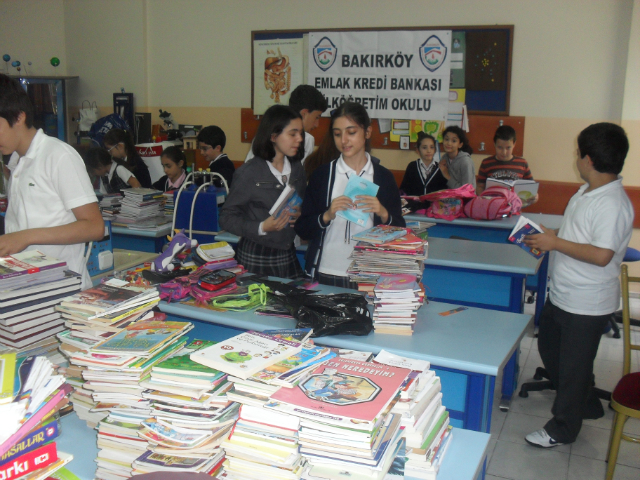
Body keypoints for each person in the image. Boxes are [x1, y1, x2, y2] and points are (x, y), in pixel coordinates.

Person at [523, 123, 634, 448]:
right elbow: (582, 239)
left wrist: (555, 245)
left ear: (588, 159)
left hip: (587, 303)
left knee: (572, 369)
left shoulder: (612, 203)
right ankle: (586, 403)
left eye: (577, 153)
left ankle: (562, 429)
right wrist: (553, 237)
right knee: (550, 350)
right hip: (564, 294)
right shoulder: (588, 190)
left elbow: (601, 255)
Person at [0, 74, 104, 289]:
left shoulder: (58, 155)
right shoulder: (15, 162)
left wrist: (25, 237)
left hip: (64, 291)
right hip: (28, 287)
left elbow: (94, 227)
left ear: (18, 117)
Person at [295, 101, 405, 288]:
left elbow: (400, 230)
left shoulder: (383, 177)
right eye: (337, 134)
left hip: (368, 273)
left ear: (367, 132)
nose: (344, 140)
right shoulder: (322, 175)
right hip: (326, 270)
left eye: (351, 132)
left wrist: (383, 212)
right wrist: (327, 215)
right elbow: (302, 228)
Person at [219, 105, 306, 279]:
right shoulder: (248, 173)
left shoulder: (297, 169)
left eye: (301, 133)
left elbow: (303, 203)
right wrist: (261, 227)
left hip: (287, 252)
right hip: (256, 255)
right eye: (292, 134)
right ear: (273, 136)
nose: (299, 139)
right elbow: (226, 218)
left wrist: (300, 214)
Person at [245, 84, 328, 164]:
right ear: (304, 114)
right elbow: (298, 175)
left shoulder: (264, 132)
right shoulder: (306, 139)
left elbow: (247, 167)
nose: (316, 124)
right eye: (317, 117)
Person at [477, 125, 538, 206]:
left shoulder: (522, 163)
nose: (504, 152)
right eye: (500, 147)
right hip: (492, 207)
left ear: (514, 144)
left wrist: (535, 197)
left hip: (514, 209)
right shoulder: (486, 163)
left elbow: (531, 188)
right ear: (494, 144)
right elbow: (480, 186)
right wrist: (483, 198)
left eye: (508, 148)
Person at [400, 132, 448, 196]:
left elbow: (444, 191)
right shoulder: (412, 166)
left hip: (434, 205)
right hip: (414, 205)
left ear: (435, 150)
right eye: (424, 148)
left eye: (431, 147)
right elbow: (404, 189)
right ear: (418, 150)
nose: (428, 151)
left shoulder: (440, 168)